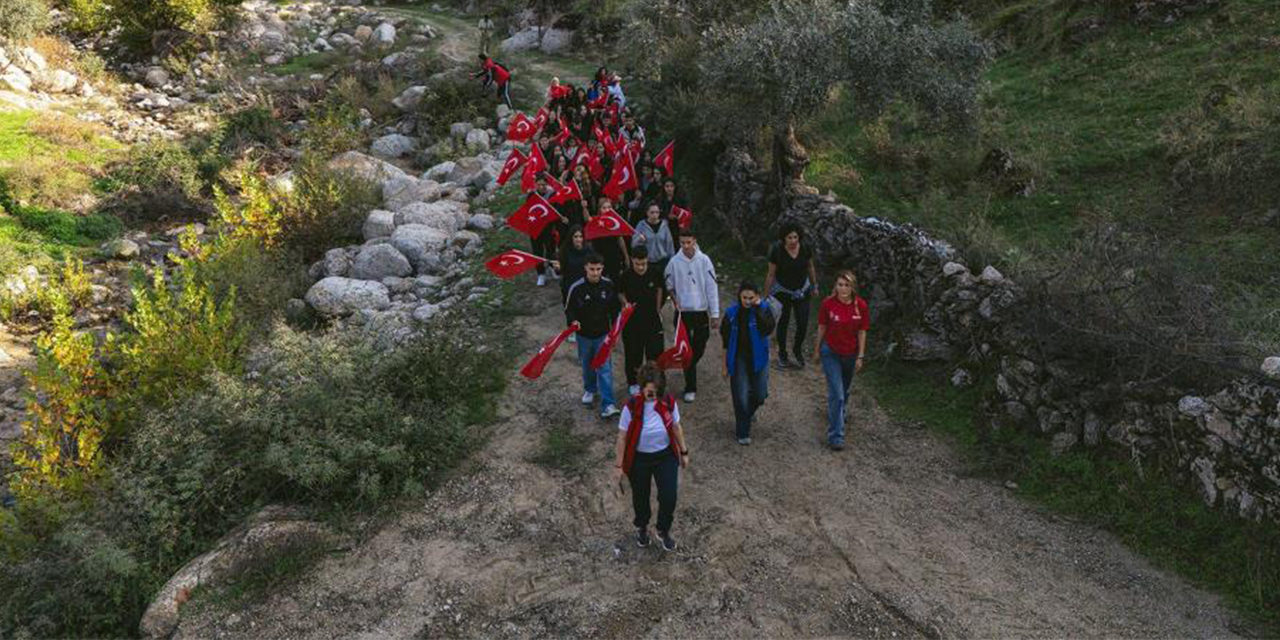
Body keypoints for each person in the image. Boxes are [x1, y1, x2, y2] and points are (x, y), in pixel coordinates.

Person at [612, 362, 688, 552]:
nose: (651, 394)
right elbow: (622, 437)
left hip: (665, 456)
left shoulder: (669, 402)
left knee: (669, 496)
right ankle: (642, 527)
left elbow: (676, 427)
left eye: (655, 390)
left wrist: (684, 452)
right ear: (641, 387)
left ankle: (662, 530)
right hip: (639, 460)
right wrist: (618, 466)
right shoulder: (631, 407)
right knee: (640, 497)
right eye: (648, 390)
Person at [813, 270, 870, 451]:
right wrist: (816, 351)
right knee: (836, 394)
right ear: (835, 286)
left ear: (852, 287)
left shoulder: (860, 306)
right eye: (840, 285)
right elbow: (821, 328)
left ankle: (839, 412)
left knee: (844, 391)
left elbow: (862, 332)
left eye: (846, 285)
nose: (843, 288)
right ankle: (836, 436)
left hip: (851, 354)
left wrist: (860, 355)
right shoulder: (828, 304)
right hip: (831, 352)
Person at [664, 228, 719, 402]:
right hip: (683, 313)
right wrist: (674, 299)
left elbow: (711, 287)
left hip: (700, 312)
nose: (686, 246)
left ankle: (689, 365)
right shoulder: (673, 262)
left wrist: (715, 314)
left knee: (699, 346)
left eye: (689, 242)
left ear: (694, 241)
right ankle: (690, 386)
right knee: (686, 350)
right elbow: (668, 284)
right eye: (682, 243)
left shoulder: (704, 261)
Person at [565, 254, 622, 418]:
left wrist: (614, 331)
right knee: (587, 364)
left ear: (602, 269)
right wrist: (573, 320)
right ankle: (590, 389)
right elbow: (569, 309)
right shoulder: (576, 287)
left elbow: (615, 309)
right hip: (583, 335)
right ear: (585, 268)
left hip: (603, 335)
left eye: (598, 269)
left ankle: (608, 404)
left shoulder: (608, 285)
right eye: (592, 269)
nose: (595, 273)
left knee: (604, 368)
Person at [720, 281, 775, 445]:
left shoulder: (764, 309)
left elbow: (768, 329)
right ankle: (742, 431)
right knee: (740, 396)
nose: (747, 301)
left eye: (751, 298)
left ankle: (747, 414)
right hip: (739, 358)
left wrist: (758, 309)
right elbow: (725, 341)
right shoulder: (731, 313)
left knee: (760, 394)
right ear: (739, 295)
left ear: (757, 296)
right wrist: (724, 366)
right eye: (744, 297)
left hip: (759, 358)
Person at [763, 224, 820, 369]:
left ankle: (797, 350)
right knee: (783, 323)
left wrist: (814, 286)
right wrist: (765, 295)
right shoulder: (776, 251)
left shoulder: (805, 247)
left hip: (803, 290)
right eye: (790, 237)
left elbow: (810, 267)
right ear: (784, 238)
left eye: (795, 237)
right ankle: (782, 354)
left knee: (802, 323)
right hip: (783, 292)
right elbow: (771, 274)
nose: (793, 240)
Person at [618, 246, 666, 397]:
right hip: (632, 323)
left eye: (643, 263)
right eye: (637, 264)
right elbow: (619, 292)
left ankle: (656, 383)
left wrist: (658, 308)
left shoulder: (655, 272)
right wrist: (625, 303)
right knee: (633, 354)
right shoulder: (625, 276)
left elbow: (660, 289)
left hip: (652, 321)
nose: (640, 267)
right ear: (632, 260)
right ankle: (633, 382)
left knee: (656, 354)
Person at [554, 226, 590, 343]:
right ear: (571, 238)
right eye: (576, 237)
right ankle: (572, 330)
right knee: (570, 309)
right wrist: (558, 268)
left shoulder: (588, 250)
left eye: (580, 236)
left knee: (585, 309)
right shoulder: (565, 251)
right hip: (569, 286)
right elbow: (561, 271)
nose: (578, 239)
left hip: (584, 285)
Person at [591, 196, 630, 280]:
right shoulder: (595, 221)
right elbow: (587, 219)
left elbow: (620, 239)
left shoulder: (616, 222)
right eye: (604, 208)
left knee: (615, 280)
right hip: (600, 257)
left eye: (609, 207)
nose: (607, 210)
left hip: (614, 257)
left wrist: (626, 256)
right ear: (599, 209)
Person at [631, 202, 674, 274]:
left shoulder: (664, 225)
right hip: (648, 261)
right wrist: (639, 239)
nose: (655, 215)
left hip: (662, 261)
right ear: (647, 213)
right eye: (652, 212)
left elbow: (669, 243)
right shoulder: (641, 225)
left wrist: (672, 260)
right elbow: (633, 244)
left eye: (657, 212)